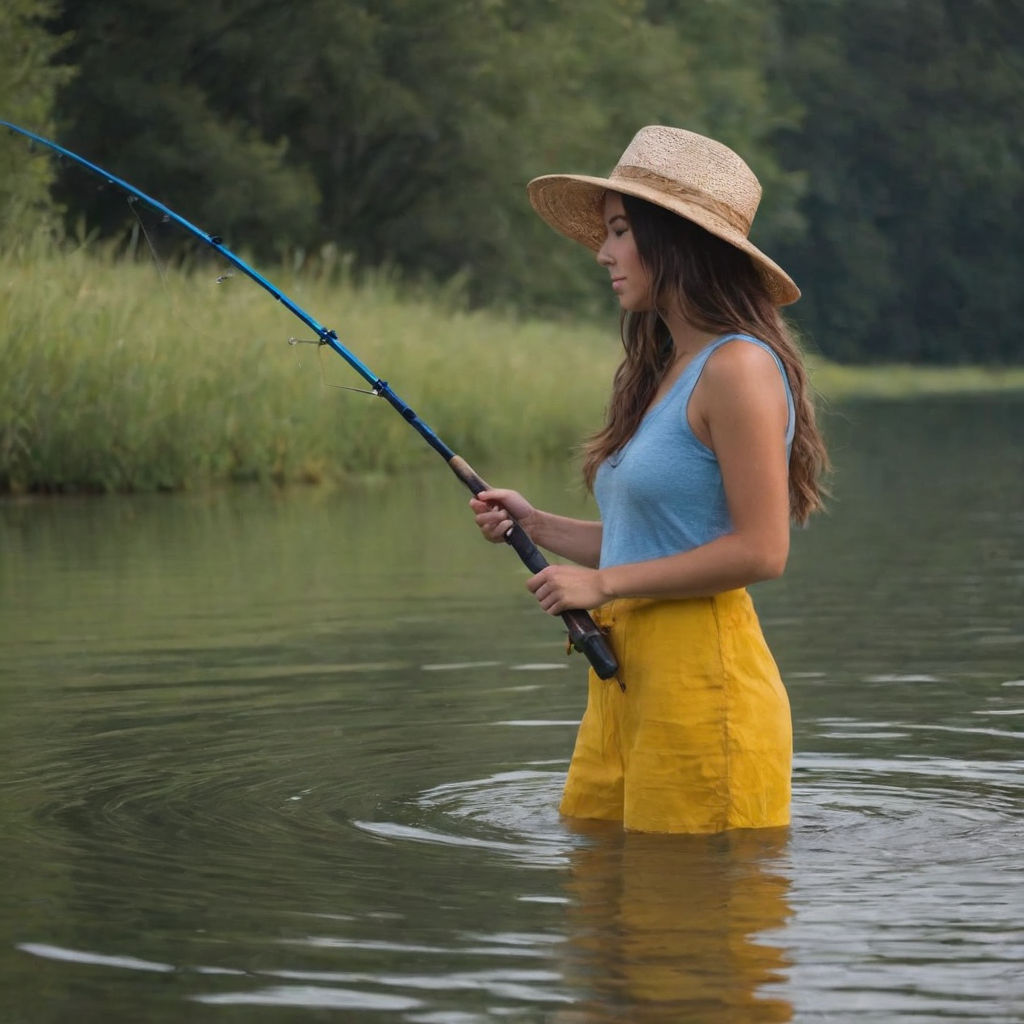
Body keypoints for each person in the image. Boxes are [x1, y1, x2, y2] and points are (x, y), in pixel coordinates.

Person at [471, 125, 829, 834]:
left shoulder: (739, 368)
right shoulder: (665, 370)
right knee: (600, 910)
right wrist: (536, 527)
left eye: (621, 231)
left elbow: (763, 551)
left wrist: (599, 584)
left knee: (687, 928)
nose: (603, 253)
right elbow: (657, 541)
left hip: (704, 684)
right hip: (623, 675)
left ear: (677, 241)